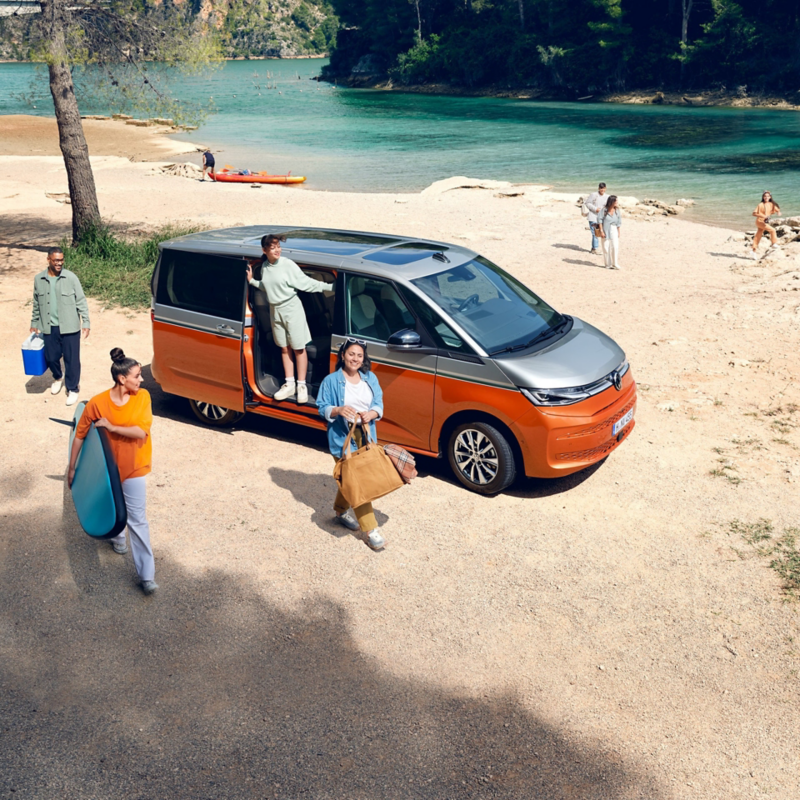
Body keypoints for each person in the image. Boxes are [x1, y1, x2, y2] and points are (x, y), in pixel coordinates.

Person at [68, 348, 158, 595]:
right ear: (122, 379)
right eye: (137, 376)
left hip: (135, 466)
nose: (141, 380)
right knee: (113, 509)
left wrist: (111, 426)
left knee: (137, 519)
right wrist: (72, 467)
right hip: (108, 469)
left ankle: (147, 576)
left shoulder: (143, 397)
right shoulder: (97, 403)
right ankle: (118, 539)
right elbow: (80, 435)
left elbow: (141, 432)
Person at [245, 233, 333, 405]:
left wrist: (330, 287)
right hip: (275, 310)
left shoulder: (288, 264)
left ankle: (301, 386)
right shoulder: (264, 267)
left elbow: (306, 283)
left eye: (278, 246)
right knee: (284, 349)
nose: (277, 250)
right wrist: (253, 281)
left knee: (299, 348)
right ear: (264, 250)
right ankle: (289, 383)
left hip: (292, 309)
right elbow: (268, 286)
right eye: (273, 247)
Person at [316, 339, 386, 551]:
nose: (355, 359)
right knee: (357, 482)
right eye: (351, 354)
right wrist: (337, 410)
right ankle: (371, 530)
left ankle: (340, 510)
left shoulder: (370, 378)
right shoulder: (331, 380)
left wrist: (371, 413)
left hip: (365, 434)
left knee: (350, 479)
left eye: (359, 355)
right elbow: (322, 407)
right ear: (343, 355)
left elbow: (379, 404)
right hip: (342, 437)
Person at [29, 247, 90, 406]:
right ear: (48, 259)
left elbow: (81, 301)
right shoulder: (38, 279)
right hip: (49, 327)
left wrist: (86, 322)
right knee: (50, 357)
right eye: (56, 260)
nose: (59, 263)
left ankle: (72, 388)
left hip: (70, 327)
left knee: (72, 360)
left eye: (61, 260)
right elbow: (36, 303)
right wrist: (34, 322)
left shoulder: (71, 278)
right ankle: (57, 377)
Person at [751, 191, 780, 259]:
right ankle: (774, 243)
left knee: (758, 235)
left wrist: (778, 212)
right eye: (765, 196)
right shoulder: (760, 204)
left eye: (767, 196)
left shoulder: (771, 204)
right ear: (763, 197)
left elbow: (777, 209)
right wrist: (763, 215)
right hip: (759, 221)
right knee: (772, 230)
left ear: (770, 197)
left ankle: (753, 251)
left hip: (765, 222)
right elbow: (754, 213)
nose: (766, 197)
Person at [598, 195, 622, 270]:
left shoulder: (617, 211)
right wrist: (601, 231)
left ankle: (615, 264)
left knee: (615, 246)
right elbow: (600, 220)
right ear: (611, 202)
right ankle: (608, 264)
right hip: (605, 229)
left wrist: (618, 232)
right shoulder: (604, 210)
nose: (617, 202)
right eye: (616, 201)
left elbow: (619, 222)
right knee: (606, 247)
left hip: (614, 229)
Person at [584, 182, 609, 255]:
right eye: (601, 188)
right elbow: (587, 203)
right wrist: (595, 209)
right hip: (593, 216)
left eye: (603, 188)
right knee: (594, 233)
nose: (602, 190)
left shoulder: (607, 196)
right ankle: (594, 248)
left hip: (602, 217)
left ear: (605, 188)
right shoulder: (594, 195)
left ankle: (595, 248)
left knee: (601, 232)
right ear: (598, 188)